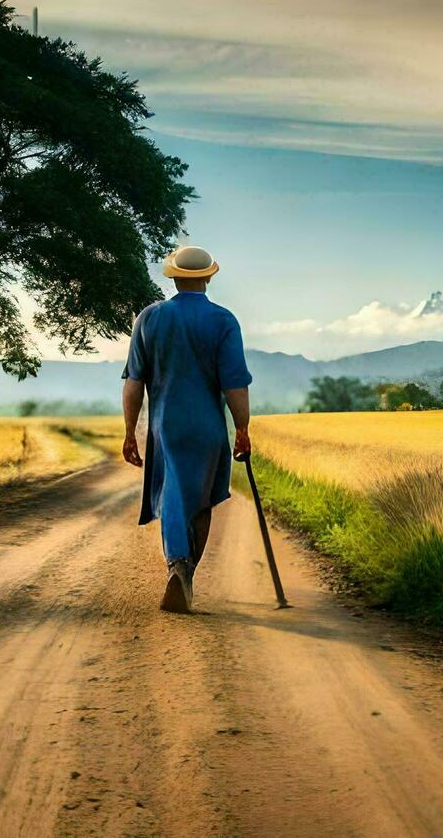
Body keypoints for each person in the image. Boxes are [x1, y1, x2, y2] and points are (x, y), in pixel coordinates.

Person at [121, 245, 252, 613]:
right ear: (208, 277)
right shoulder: (224, 321)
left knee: (174, 494)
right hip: (209, 427)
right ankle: (186, 572)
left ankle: (177, 566)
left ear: (173, 277)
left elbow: (133, 382)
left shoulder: (149, 318)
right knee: (203, 498)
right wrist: (242, 428)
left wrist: (130, 431)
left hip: (167, 428)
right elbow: (235, 386)